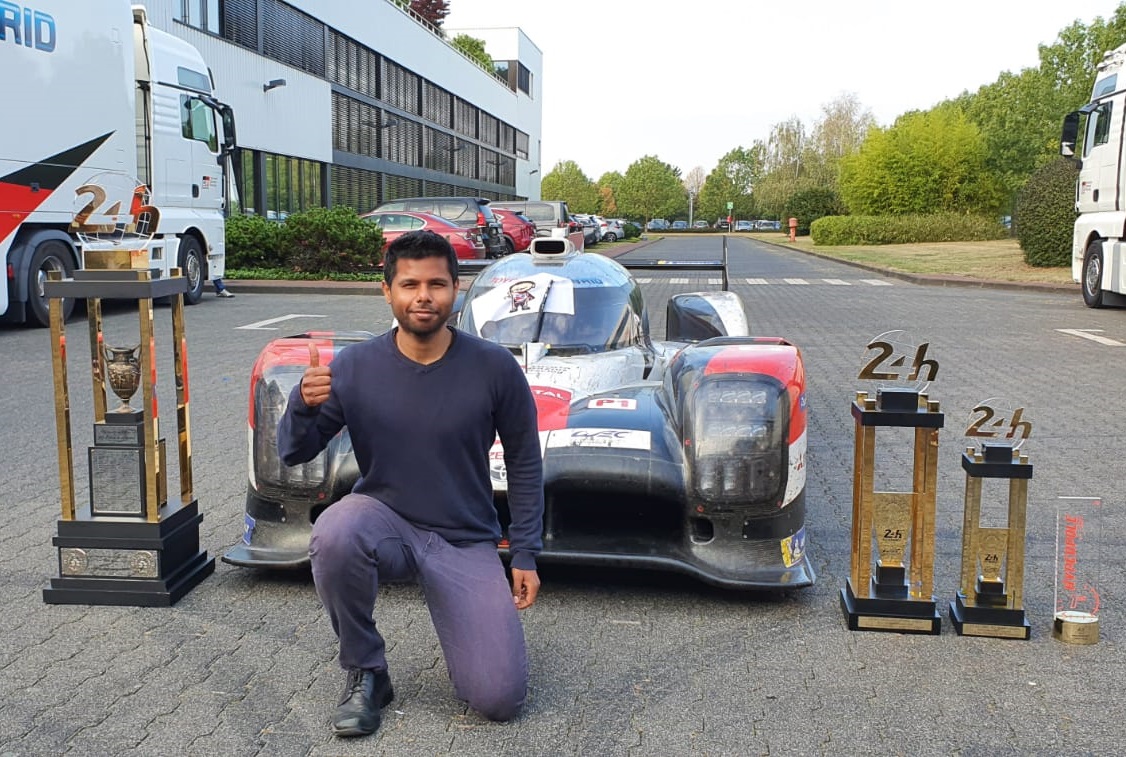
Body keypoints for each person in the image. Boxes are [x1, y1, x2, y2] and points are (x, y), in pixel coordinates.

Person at [277, 230, 544, 738]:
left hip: (464, 539)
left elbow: (525, 461)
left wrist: (526, 551)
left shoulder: (494, 368)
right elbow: (295, 451)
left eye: (437, 284)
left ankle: (473, 643)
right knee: (336, 532)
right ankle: (367, 671)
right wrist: (301, 405)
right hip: (385, 523)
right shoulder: (355, 367)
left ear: (456, 289)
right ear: (388, 291)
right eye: (410, 284)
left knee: (499, 699)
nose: (424, 296)